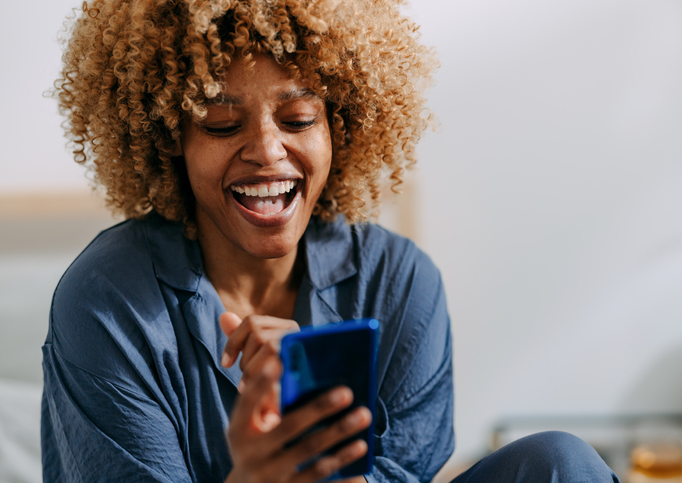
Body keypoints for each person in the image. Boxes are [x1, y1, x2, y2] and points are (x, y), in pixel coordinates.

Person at [41, 0, 620, 482]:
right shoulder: (107, 302)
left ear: (340, 130)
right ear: (171, 139)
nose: (268, 150)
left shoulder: (399, 282)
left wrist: (320, 464)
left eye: (297, 119)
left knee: (559, 462)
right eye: (221, 124)